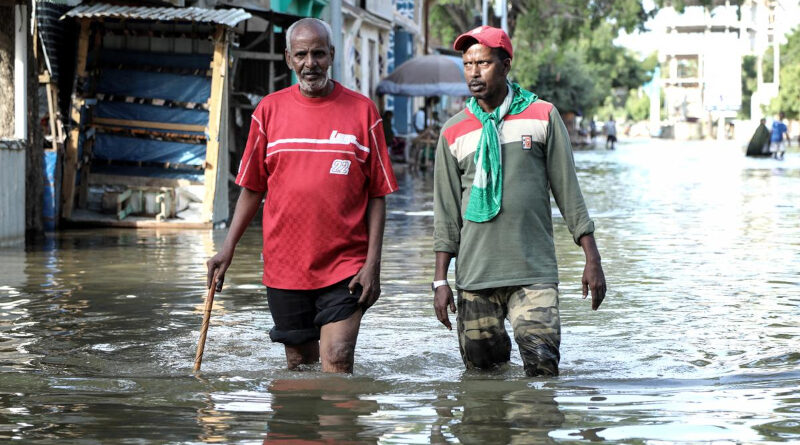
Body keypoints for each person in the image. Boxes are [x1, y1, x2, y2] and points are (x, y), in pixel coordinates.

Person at [206, 18, 398, 373]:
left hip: (346, 266)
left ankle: (340, 428)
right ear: (288, 59)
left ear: (332, 55)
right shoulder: (268, 111)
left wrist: (373, 264)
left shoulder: (363, 112)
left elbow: (377, 195)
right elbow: (252, 188)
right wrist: (227, 248)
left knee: (338, 360)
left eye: (319, 54)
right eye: (302, 55)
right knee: (299, 364)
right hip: (285, 266)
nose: (311, 63)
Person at [432, 25, 606, 377]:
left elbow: (568, 191)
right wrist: (440, 281)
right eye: (467, 64)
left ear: (506, 65)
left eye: (483, 63)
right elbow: (447, 213)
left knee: (543, 371)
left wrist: (592, 258)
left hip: (533, 272)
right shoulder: (454, 130)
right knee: (483, 379)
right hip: (475, 275)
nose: (474, 72)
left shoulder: (542, 116)